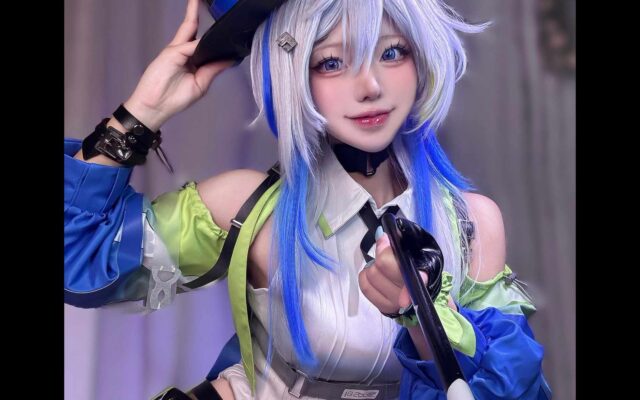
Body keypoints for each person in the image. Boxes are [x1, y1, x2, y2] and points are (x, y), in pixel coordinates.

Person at [64, 0, 552, 398]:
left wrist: (422, 319)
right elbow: (79, 259)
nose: (371, 87)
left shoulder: (469, 223)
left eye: (392, 52)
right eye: (332, 62)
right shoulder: (251, 208)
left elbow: (509, 390)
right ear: (292, 71)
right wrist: (141, 113)